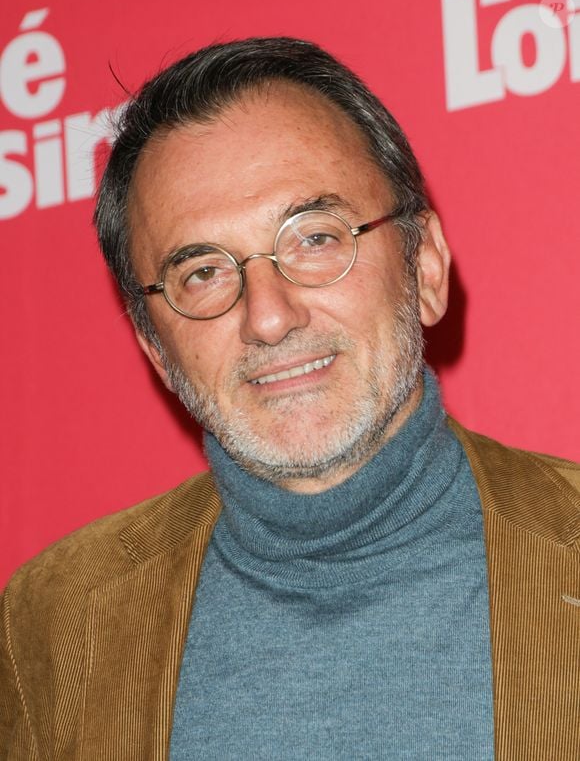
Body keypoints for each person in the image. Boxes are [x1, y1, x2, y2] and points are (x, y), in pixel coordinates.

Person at [1, 37, 579, 761]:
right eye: (204, 271)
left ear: (424, 265)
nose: (269, 316)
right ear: (156, 346)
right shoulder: (51, 622)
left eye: (314, 237)